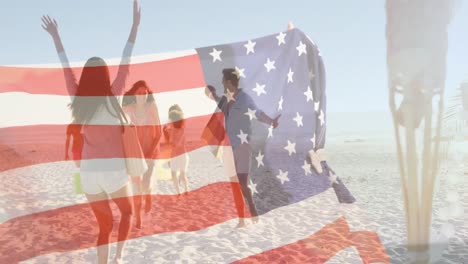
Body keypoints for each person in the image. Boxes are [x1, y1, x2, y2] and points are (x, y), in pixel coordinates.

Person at [41, 1, 140, 263]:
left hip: (88, 174)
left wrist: (56, 37)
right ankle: (119, 258)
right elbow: (125, 62)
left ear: (85, 76)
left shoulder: (78, 100)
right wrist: (134, 28)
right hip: (114, 171)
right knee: (128, 213)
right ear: (105, 76)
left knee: (104, 226)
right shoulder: (113, 95)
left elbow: (66, 69)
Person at [205, 69, 280, 227]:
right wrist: (211, 94)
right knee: (234, 182)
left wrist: (272, 121)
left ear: (229, 82)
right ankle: (241, 219)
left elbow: (258, 113)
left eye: (223, 81)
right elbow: (218, 100)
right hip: (228, 146)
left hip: (243, 145)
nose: (222, 83)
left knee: (242, 182)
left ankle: (252, 210)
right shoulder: (226, 98)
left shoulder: (245, 99)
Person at [123, 80, 162, 229]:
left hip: (150, 151)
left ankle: (149, 193)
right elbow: (117, 113)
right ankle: (138, 218)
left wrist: (152, 150)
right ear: (134, 94)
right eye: (139, 93)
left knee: (145, 185)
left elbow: (158, 131)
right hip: (135, 153)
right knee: (136, 186)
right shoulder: (130, 108)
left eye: (144, 93)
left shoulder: (151, 107)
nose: (142, 96)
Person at [164, 104, 190, 195]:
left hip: (178, 155)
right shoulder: (180, 129)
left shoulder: (176, 130)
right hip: (180, 155)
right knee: (180, 174)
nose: (169, 121)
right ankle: (183, 190)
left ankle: (183, 190)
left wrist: (168, 132)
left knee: (178, 174)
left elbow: (174, 144)